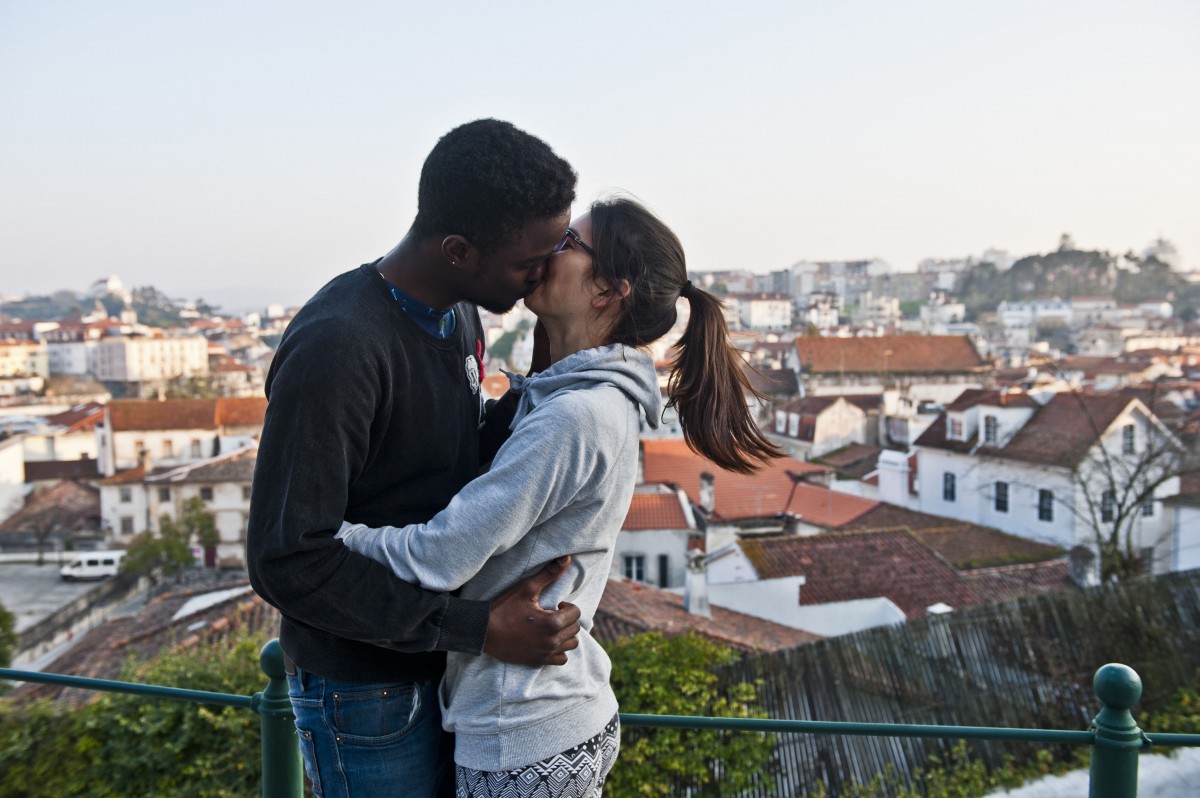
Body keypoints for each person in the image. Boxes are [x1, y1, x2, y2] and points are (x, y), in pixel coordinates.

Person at [335, 196, 783, 797]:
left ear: (607, 291)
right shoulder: (580, 400)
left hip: (522, 725)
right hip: (542, 710)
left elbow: (438, 557)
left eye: (569, 243)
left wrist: (329, 534)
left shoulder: (576, 416)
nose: (549, 249)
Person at [247, 119, 585, 798]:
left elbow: (444, 461)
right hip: (364, 688)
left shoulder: (457, 311)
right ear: (460, 249)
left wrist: (546, 377)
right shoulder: (340, 345)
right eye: (529, 261)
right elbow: (286, 557)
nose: (542, 273)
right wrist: (477, 630)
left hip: (433, 664)